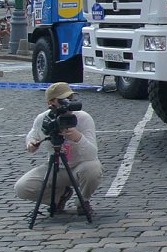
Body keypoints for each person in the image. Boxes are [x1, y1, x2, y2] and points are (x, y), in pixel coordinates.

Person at [14, 82, 102, 215]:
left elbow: (92, 154)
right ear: (51, 103)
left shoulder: (83, 118)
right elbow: (32, 135)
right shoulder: (43, 118)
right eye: (63, 100)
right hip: (56, 167)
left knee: (93, 169)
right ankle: (58, 197)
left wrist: (78, 138)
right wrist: (31, 143)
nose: (69, 103)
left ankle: (83, 201)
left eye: (71, 99)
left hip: (80, 167)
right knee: (22, 187)